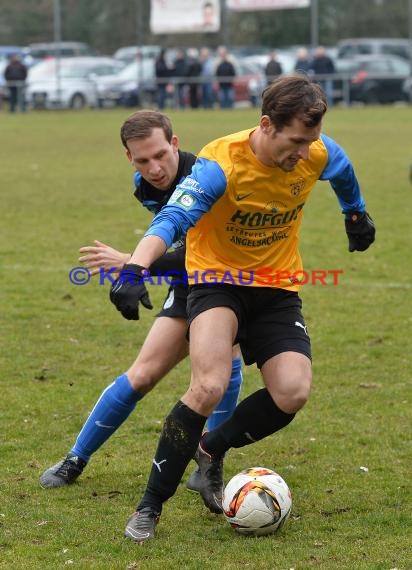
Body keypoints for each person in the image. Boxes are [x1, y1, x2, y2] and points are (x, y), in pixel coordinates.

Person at [109, 74, 376, 543]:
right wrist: (133, 269)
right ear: (267, 124)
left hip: (276, 289)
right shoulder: (220, 163)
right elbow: (172, 219)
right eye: (294, 141)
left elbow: (341, 165)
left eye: (309, 141)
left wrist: (354, 212)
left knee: (292, 392)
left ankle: (211, 449)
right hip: (216, 282)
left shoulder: (314, 149)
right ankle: (150, 506)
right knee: (208, 384)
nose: (302, 152)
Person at [39, 110, 243, 489]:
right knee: (143, 374)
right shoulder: (144, 186)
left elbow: (206, 255)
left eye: (160, 155)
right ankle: (75, 459)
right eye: (142, 160)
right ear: (128, 157)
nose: (154, 168)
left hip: (228, 282)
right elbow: (181, 246)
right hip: (190, 282)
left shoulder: (206, 179)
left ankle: (210, 464)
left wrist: (133, 264)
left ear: (175, 143)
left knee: (224, 363)